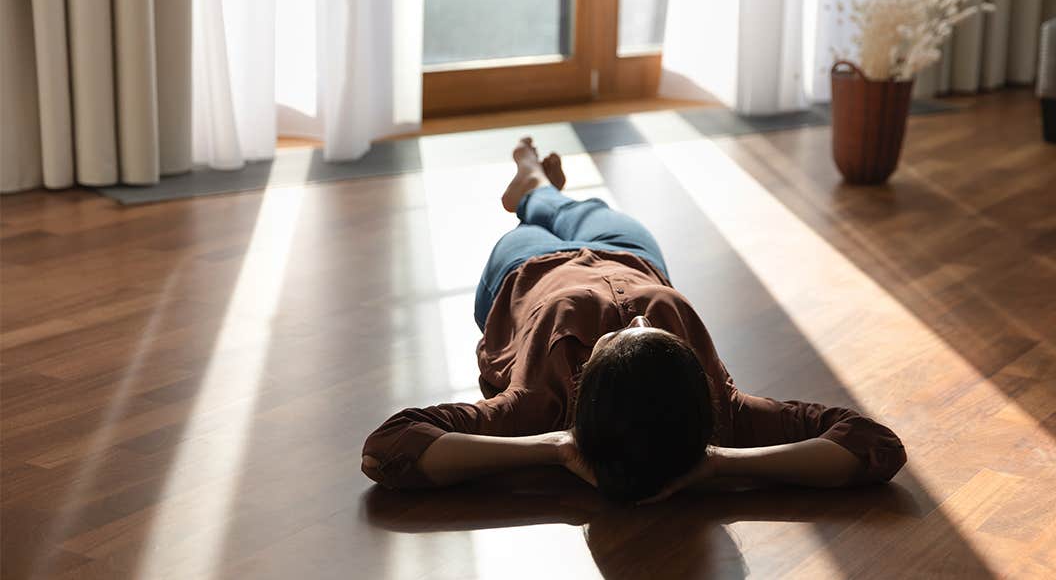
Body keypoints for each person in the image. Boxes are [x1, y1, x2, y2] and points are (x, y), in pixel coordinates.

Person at [361, 137, 906, 503]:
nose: (638, 320)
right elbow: (870, 442)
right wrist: (718, 461)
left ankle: (533, 190)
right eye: (656, 332)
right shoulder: (720, 409)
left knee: (542, 221)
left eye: (619, 338)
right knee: (587, 212)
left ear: (585, 387)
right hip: (631, 256)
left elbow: (388, 448)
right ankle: (537, 188)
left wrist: (552, 446)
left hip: (525, 271)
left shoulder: (536, 408)